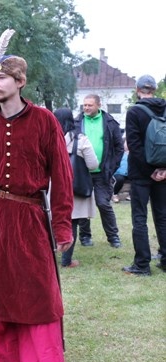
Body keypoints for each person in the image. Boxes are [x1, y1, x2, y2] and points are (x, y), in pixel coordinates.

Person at [0, 29, 73, 362]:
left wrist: (62, 225)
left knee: (38, 294)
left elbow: (62, 177)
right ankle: (1, 359)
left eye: (2, 78)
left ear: (19, 81)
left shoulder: (45, 121)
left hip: (30, 217)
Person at [122, 74, 166, 276]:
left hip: (141, 174)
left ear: (137, 90)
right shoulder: (164, 108)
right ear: (154, 90)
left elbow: (134, 146)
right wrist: (162, 171)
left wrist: (149, 172)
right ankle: (165, 259)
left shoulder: (134, 112)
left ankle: (142, 264)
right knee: (163, 216)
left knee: (140, 218)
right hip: (163, 173)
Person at [74, 94, 124, 248]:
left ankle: (113, 237)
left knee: (103, 204)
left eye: (90, 105)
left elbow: (119, 147)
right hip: (82, 172)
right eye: (85, 105)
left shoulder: (110, 122)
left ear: (99, 105)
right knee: (82, 204)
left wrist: (111, 167)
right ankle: (85, 237)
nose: (86, 108)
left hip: (103, 173)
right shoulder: (77, 122)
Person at [54, 108, 99, 268]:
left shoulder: (49, 138)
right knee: (71, 222)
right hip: (74, 187)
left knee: (51, 221)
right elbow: (93, 165)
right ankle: (66, 261)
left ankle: (50, 257)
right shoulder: (81, 140)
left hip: (53, 188)